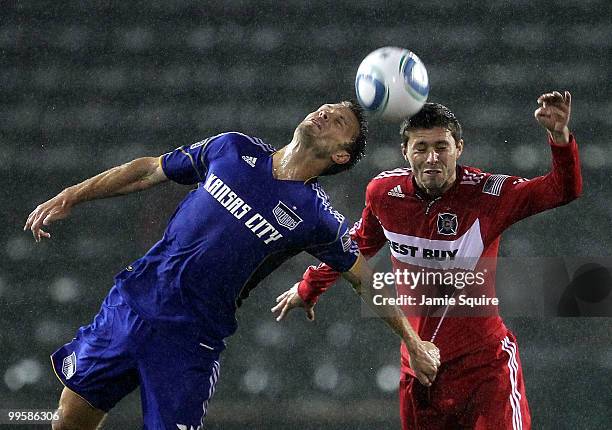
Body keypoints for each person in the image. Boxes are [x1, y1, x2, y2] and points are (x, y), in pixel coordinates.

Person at [24, 101, 440, 430]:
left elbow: (364, 278)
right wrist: (73, 194)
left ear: (341, 154)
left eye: (339, 122)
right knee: (68, 420)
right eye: (326, 108)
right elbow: (151, 169)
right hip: (130, 305)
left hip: (188, 342)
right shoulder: (232, 148)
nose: (325, 113)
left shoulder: (316, 217)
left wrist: (413, 342)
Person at [274, 91, 582, 429]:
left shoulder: (490, 194)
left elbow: (562, 190)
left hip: (484, 369)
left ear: (459, 149)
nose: (432, 158)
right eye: (421, 148)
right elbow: (355, 245)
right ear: (405, 152)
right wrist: (309, 287)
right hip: (419, 372)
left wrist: (559, 138)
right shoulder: (384, 194)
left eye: (441, 147)